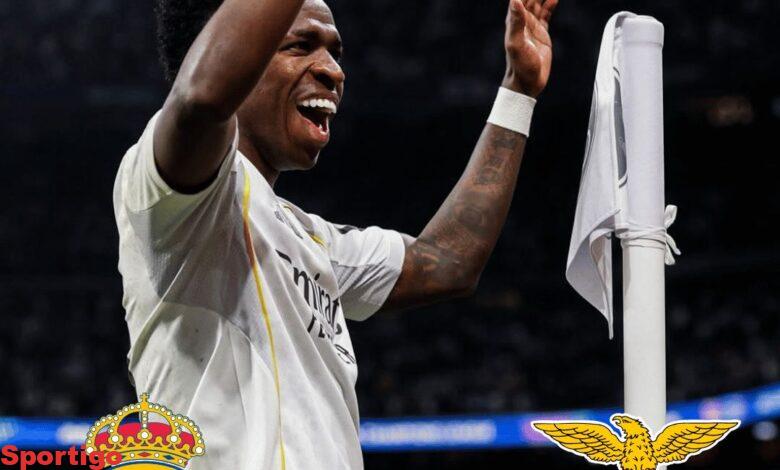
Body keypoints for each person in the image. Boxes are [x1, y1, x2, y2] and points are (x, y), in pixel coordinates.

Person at [112, 0, 558, 467]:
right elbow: (202, 99)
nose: (333, 71)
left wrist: (518, 90)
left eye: (334, 52)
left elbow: (448, 262)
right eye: (301, 45)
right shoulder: (166, 191)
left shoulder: (311, 239)